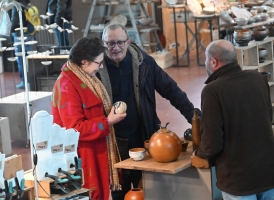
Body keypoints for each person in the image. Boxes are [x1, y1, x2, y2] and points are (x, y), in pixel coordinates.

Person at [98, 23, 199, 200]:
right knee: (119, 190)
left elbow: (171, 90)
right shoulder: (96, 70)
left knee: (147, 188)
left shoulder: (145, 63)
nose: (115, 48)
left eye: (120, 42)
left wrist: (194, 118)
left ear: (129, 42)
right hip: (113, 140)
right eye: (110, 43)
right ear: (103, 43)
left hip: (143, 133)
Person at [191, 39, 274, 199]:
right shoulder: (258, 79)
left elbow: (212, 142)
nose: (206, 63)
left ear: (213, 61)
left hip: (238, 181)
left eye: (206, 59)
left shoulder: (212, 91)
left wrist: (199, 153)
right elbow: (268, 118)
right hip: (269, 174)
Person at [51, 37, 126, 200]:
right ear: (84, 62)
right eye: (99, 63)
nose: (101, 67)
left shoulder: (85, 78)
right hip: (81, 158)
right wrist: (108, 122)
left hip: (94, 151)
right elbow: (75, 128)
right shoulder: (67, 86)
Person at [10, 0, 35, 89]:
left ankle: (24, 81)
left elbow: (15, 20)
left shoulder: (16, 4)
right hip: (29, 33)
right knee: (29, 59)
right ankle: (32, 81)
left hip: (19, 34)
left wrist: (11, 30)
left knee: (21, 60)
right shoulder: (28, 3)